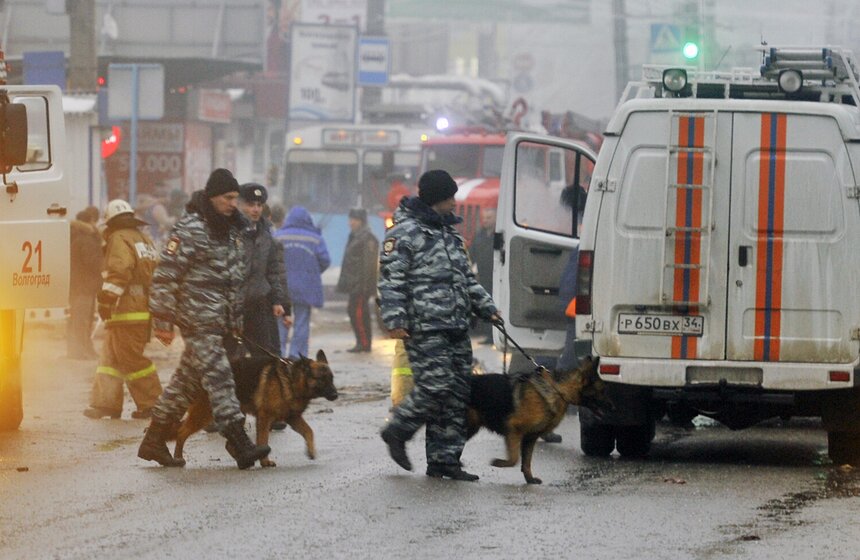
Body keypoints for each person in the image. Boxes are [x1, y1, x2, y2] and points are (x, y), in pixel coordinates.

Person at [137, 168, 271, 469]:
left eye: (235, 198)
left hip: (220, 321)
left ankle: (154, 440)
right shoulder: (191, 228)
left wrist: (235, 322)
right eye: (227, 197)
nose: (232, 203)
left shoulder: (233, 231)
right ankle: (238, 441)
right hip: (197, 320)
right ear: (212, 196)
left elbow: (234, 281)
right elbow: (166, 275)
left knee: (185, 383)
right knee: (221, 378)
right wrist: (162, 320)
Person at [378, 169, 502, 482]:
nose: (455, 204)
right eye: (450, 198)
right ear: (437, 198)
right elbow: (391, 281)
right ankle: (398, 430)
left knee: (457, 394)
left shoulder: (450, 236)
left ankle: (445, 460)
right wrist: (395, 320)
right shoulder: (403, 233)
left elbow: (466, 280)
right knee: (435, 387)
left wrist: (488, 308)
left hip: (457, 326)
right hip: (425, 326)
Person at [83, 200, 163, 420]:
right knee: (110, 358)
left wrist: (106, 299)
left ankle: (153, 403)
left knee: (131, 358)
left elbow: (120, 271)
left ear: (110, 222)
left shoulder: (119, 238)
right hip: (138, 309)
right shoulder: (143, 239)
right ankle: (106, 403)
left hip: (127, 310)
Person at [238, 183, 291, 355]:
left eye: (259, 205)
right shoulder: (230, 234)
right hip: (234, 308)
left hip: (259, 307)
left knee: (266, 355)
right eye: (251, 204)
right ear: (240, 204)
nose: (255, 209)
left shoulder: (267, 238)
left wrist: (278, 301)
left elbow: (273, 272)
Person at [274, 206, 330, 359]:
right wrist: (311, 272)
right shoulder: (315, 238)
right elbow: (325, 260)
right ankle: (297, 355)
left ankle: (279, 354)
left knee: (281, 322)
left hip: (282, 286)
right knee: (302, 322)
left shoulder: (278, 235)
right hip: (305, 287)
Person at [336, 208, 379, 353]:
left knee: (359, 313)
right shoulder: (355, 236)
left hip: (361, 285)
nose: (351, 223)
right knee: (353, 311)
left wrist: (366, 286)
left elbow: (369, 264)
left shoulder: (367, 238)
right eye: (350, 219)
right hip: (355, 284)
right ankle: (361, 341)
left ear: (361, 221)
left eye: (354, 220)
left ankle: (364, 343)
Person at [67, 206, 103, 360]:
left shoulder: (73, 235)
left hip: (76, 285)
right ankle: (81, 351)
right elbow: (93, 263)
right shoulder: (87, 239)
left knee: (77, 319)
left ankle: (76, 350)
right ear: (92, 220)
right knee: (83, 320)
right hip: (85, 286)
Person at [469, 207, 496, 343]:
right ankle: (487, 333)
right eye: (484, 218)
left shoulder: (498, 236)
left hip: (496, 276)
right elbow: (471, 254)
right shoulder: (479, 235)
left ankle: (493, 334)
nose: (485, 221)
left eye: (489, 218)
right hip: (484, 276)